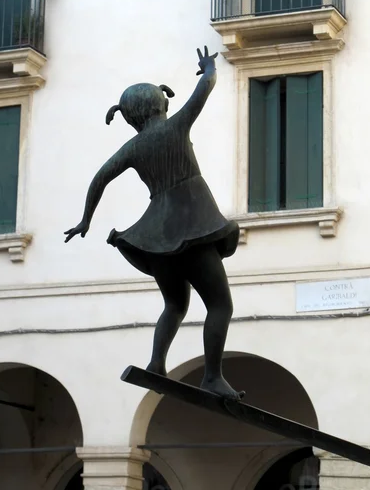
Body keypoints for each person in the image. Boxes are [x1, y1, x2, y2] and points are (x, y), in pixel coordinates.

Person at [65, 47, 243, 399]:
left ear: (130, 117)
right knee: (220, 304)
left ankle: (156, 364)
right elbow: (206, 87)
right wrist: (208, 66)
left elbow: (100, 178)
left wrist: (86, 220)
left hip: (156, 236)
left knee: (175, 304)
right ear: (162, 103)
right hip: (193, 225)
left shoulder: (133, 148)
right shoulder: (176, 126)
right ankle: (211, 377)